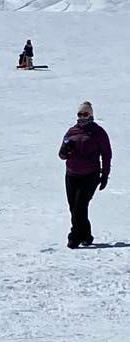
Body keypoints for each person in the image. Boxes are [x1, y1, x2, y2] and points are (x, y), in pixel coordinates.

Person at [58, 101, 112, 249]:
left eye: (85, 114)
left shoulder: (98, 133)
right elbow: (62, 154)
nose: (82, 117)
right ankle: (86, 235)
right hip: (72, 175)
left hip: (90, 175)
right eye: (80, 114)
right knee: (74, 208)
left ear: (91, 115)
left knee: (79, 207)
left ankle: (74, 237)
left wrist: (105, 175)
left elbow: (106, 155)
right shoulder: (71, 132)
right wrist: (66, 151)